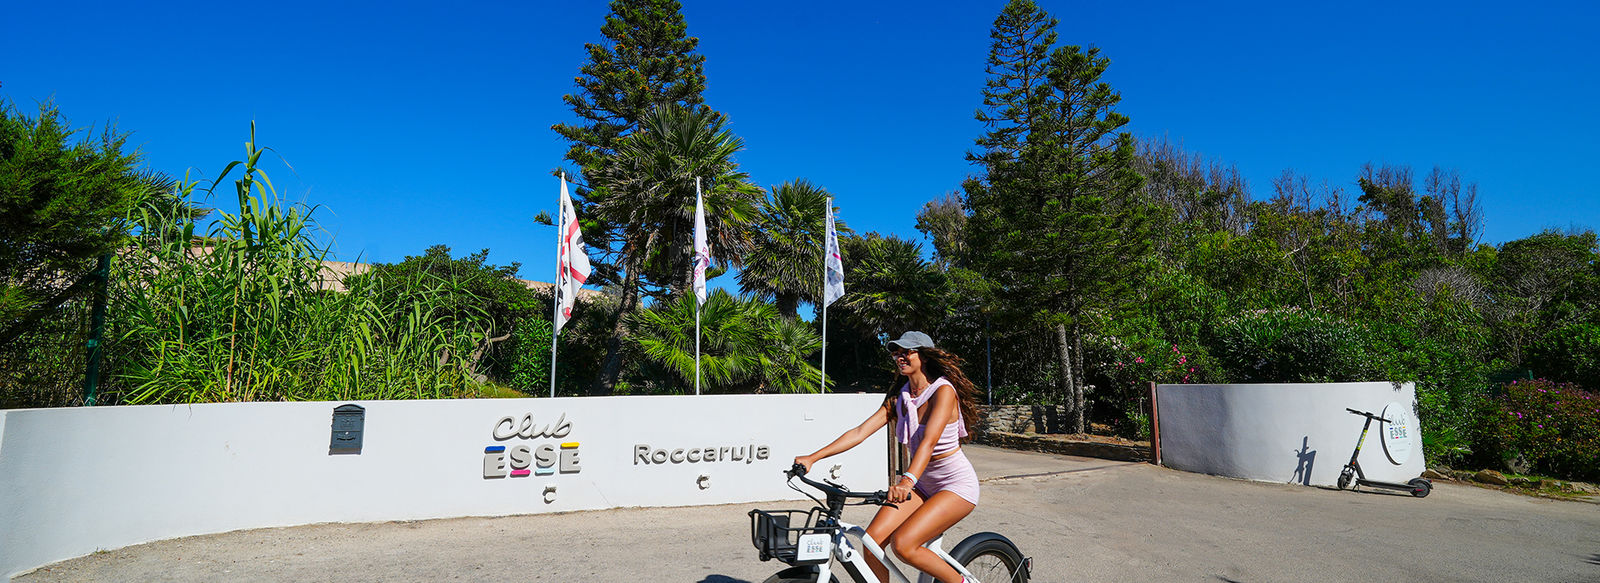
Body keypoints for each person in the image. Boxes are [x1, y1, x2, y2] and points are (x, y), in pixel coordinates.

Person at [794, 331, 982, 583]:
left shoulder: (942, 391)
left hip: (955, 486)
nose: (900, 356)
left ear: (924, 356)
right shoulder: (900, 397)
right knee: (872, 542)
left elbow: (927, 444)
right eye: (896, 352)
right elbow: (860, 432)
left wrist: (906, 482)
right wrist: (813, 457)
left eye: (906, 352)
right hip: (922, 484)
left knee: (904, 545)